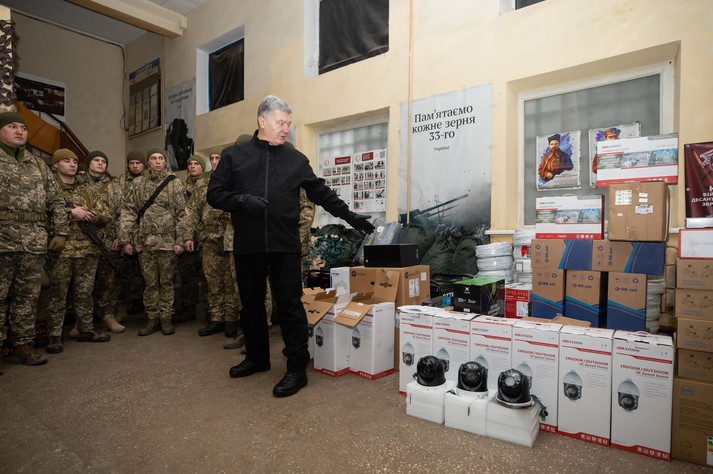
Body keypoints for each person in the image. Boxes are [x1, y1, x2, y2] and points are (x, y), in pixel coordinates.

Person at [207, 95, 374, 398]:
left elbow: (320, 192)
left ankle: (297, 368)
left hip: (284, 244)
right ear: (262, 121)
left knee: (290, 306)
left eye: (288, 124)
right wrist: (242, 200)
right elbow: (215, 194)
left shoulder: (295, 159)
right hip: (248, 245)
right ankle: (257, 358)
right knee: (251, 305)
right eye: (281, 123)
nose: (286, 129)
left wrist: (350, 216)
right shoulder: (235, 156)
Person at [0, 111, 69, 371]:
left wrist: (61, 232)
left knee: (28, 297)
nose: (20, 131)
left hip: (32, 241)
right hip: (2, 239)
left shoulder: (38, 164)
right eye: (12, 127)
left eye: (23, 128)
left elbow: (56, 201)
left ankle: (23, 344)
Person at [45, 148, 112, 354]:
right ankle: (54, 336)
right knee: (58, 295)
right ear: (56, 165)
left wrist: (88, 214)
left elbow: (105, 215)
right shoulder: (48, 187)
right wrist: (70, 213)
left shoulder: (87, 190)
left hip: (87, 249)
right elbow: (41, 212)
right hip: (61, 251)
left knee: (85, 293)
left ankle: (86, 329)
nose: (73, 164)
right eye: (66, 161)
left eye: (74, 161)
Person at [119, 147, 186, 336]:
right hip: (145, 243)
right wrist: (126, 239)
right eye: (154, 158)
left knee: (166, 283)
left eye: (161, 158)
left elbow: (183, 213)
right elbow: (129, 211)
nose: (157, 161)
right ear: (147, 162)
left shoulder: (174, 183)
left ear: (165, 161)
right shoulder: (138, 183)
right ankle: (152, 318)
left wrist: (180, 240)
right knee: (150, 284)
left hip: (167, 243)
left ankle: (166, 318)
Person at [178, 149, 241, 343]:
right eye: (212, 158)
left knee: (231, 281)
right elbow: (191, 211)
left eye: (218, 158)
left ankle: (231, 319)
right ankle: (216, 318)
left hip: (231, 238)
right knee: (212, 281)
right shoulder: (204, 184)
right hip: (209, 238)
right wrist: (187, 236)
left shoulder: (237, 179)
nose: (214, 162)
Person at [82, 150, 125, 333]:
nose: (100, 163)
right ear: (88, 163)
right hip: (83, 240)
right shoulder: (78, 184)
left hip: (108, 240)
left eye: (103, 161)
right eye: (96, 160)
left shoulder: (114, 187)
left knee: (109, 281)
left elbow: (121, 214)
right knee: (83, 283)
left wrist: (119, 237)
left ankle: (108, 315)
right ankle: (82, 320)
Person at [114, 151, 147, 323]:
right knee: (124, 273)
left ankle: (142, 303)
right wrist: (121, 235)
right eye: (132, 163)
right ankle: (123, 305)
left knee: (145, 272)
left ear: (144, 164)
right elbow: (117, 211)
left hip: (144, 233)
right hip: (126, 230)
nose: (135, 166)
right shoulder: (118, 182)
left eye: (138, 163)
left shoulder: (150, 180)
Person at [174, 153, 207, 324]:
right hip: (186, 236)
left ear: (203, 167)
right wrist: (183, 237)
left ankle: (209, 311)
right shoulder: (180, 187)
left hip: (203, 237)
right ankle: (188, 308)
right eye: (190, 163)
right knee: (187, 275)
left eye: (196, 163)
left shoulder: (207, 185)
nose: (193, 166)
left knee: (206, 276)